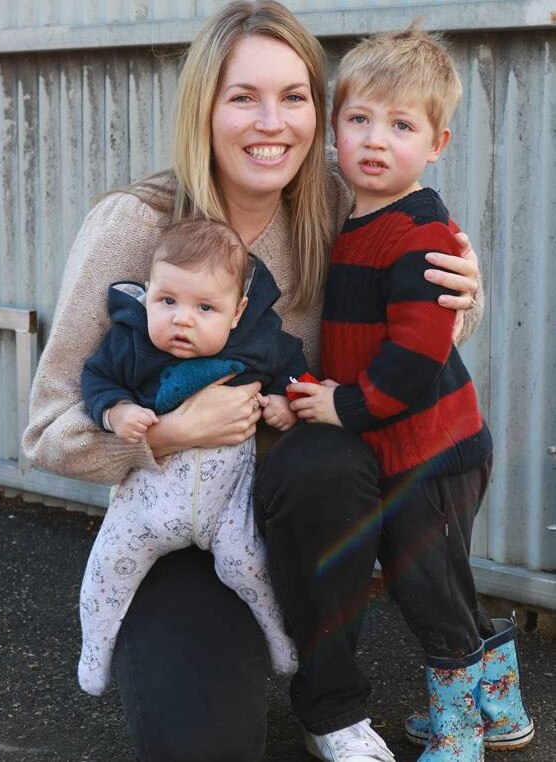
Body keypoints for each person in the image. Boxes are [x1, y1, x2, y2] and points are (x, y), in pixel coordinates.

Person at [22, 2, 484, 760]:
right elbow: (46, 430)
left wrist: (466, 290)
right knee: (205, 744)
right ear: (204, 107)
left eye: (294, 96)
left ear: (317, 110)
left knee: (328, 458)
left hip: (295, 510)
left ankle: (330, 706)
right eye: (244, 97)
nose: (273, 122)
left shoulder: (339, 201)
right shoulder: (135, 226)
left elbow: (428, 302)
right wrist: (167, 433)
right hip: (177, 526)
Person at [285, 26, 533, 761]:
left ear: (437, 143)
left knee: (426, 590)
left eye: (401, 126)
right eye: (359, 119)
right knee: (442, 580)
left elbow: (419, 354)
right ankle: (503, 707)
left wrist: (344, 406)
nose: (375, 140)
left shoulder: (419, 231)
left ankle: (458, 732)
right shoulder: (356, 217)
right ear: (334, 129)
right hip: (410, 446)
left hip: (434, 450)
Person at [78, 217, 306, 696]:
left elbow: (292, 369)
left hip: (227, 505)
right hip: (150, 499)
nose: (182, 319)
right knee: (110, 564)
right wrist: (117, 412)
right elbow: (97, 379)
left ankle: (279, 639)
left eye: (205, 307)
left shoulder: (257, 344)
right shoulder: (131, 343)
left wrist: (286, 401)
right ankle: (95, 648)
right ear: (147, 293)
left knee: (248, 564)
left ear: (237, 311)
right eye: (167, 301)